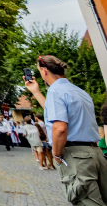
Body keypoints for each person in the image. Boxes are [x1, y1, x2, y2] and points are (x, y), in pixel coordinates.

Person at [26, 55, 107, 205]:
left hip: (77, 157)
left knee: (88, 202)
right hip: (95, 153)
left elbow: (60, 128)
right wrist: (36, 92)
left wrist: (56, 153)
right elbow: (55, 113)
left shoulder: (55, 91)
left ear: (44, 71)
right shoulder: (80, 92)